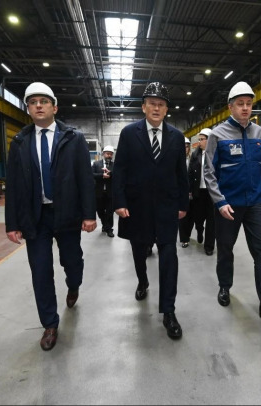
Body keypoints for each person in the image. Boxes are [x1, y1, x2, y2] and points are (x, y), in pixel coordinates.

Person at [5, 82, 97, 351]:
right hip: (35, 217)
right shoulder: (20, 142)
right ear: (28, 109)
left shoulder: (73, 138)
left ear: (54, 107)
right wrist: (12, 223)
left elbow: (85, 178)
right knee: (41, 270)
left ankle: (74, 284)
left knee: (72, 261)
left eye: (44, 101)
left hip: (66, 212)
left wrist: (89, 214)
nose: (38, 106)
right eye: (33, 102)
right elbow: (13, 185)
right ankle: (49, 324)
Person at [203, 81, 261, 325]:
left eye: (248, 103)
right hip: (228, 206)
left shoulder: (259, 133)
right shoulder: (217, 134)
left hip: (255, 204)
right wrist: (220, 201)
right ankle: (225, 286)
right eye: (240, 104)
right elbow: (209, 172)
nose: (245, 108)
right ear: (230, 107)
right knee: (226, 249)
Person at [112, 82, 189, 339]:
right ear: (143, 107)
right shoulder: (128, 133)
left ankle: (169, 311)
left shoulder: (176, 137)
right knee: (139, 251)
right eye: (152, 103)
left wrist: (183, 204)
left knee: (169, 257)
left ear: (166, 109)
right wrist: (119, 201)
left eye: (161, 104)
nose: (156, 108)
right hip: (137, 207)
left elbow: (181, 174)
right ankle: (142, 280)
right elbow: (120, 170)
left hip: (167, 208)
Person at [188, 128, 215, 255]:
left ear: (209, 140)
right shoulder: (195, 155)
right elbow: (189, 174)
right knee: (198, 218)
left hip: (212, 192)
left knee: (212, 220)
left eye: (202, 139)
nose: (199, 142)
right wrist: (189, 190)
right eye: (199, 139)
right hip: (198, 191)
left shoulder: (216, 154)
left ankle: (209, 246)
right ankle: (199, 230)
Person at [92, 145, 115, 237]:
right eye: (107, 153)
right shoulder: (96, 164)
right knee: (100, 211)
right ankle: (105, 225)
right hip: (98, 192)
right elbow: (91, 174)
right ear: (103, 154)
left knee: (110, 212)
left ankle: (109, 229)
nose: (109, 155)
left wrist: (110, 173)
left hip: (110, 192)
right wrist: (102, 175)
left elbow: (118, 175)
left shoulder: (114, 165)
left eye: (111, 154)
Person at [178, 137, 194, 248]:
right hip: (180, 193)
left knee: (191, 217)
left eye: (187, 146)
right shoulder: (175, 159)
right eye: (183, 146)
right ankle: (184, 239)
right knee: (182, 217)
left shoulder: (193, 159)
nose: (185, 149)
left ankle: (187, 234)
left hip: (192, 192)